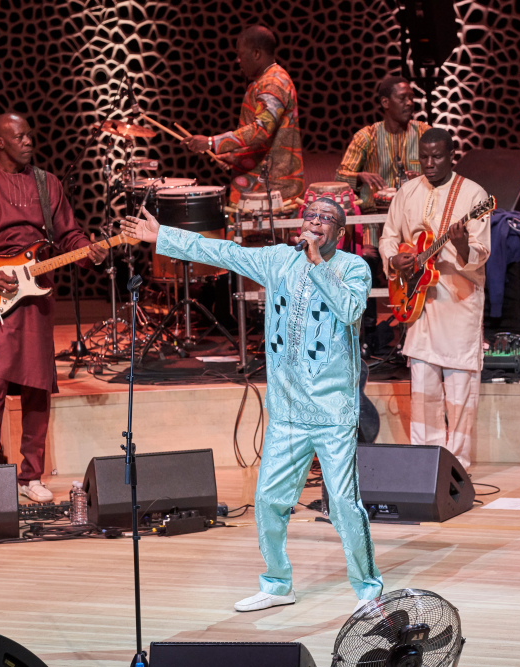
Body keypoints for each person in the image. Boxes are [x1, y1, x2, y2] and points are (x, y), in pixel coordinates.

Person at [121, 199, 383, 613]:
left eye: (326, 219)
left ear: (341, 231)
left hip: (332, 413)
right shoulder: (278, 260)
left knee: (345, 505)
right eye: (310, 216)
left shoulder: (353, 267)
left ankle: (369, 592)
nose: (316, 223)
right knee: (267, 500)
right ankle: (278, 584)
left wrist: (317, 264)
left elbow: (350, 309)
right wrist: (163, 237)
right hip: (287, 412)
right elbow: (225, 251)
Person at [0, 113, 107, 502]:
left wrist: (89, 254)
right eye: (19, 136)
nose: (28, 141)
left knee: (38, 386)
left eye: (30, 135)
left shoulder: (49, 185)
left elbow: (69, 235)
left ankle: (31, 477)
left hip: (39, 293)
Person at [378, 128, 492, 470]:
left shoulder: (474, 194)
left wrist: (458, 245)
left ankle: (456, 467)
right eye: (423, 157)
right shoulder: (407, 192)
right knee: (424, 389)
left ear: (451, 155)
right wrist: (394, 260)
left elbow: (481, 252)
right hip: (418, 302)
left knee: (459, 394)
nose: (429, 164)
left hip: (457, 302)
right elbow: (388, 237)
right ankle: (424, 465)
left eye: (437, 157)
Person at [181, 25, 304, 205]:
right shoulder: (263, 81)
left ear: (256, 53)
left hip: (273, 188)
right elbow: (264, 140)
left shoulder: (273, 82)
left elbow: (262, 129)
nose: (238, 60)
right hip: (261, 184)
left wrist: (211, 142)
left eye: (241, 54)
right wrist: (236, 157)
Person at [335, 75, 430, 213]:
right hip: (375, 217)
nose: (409, 103)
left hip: (416, 214)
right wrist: (360, 177)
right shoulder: (367, 136)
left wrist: (423, 179)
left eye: (411, 98)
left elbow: (444, 174)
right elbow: (339, 178)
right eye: (403, 98)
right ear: (385, 102)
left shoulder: (424, 134)